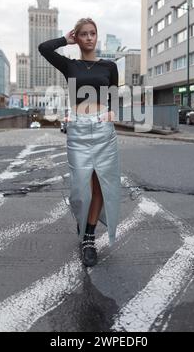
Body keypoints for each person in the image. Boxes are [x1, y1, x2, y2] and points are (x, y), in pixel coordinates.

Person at [38, 18, 121, 267]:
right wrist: (65, 39)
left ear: (97, 36)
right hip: (78, 130)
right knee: (79, 191)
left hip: (103, 130)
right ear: (78, 36)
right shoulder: (69, 65)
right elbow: (44, 48)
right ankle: (83, 218)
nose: (88, 38)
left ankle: (88, 237)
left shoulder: (109, 66)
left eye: (92, 33)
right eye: (83, 34)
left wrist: (110, 114)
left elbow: (114, 96)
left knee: (101, 187)